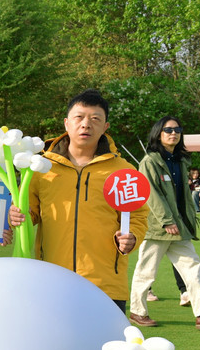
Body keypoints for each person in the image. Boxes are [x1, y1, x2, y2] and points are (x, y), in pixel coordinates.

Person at [8, 89, 148, 310]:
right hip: (52, 280)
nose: (86, 124)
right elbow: (28, 212)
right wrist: (15, 215)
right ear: (66, 123)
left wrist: (133, 237)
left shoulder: (123, 171)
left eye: (95, 119)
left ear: (105, 127)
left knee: (107, 345)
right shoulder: (40, 167)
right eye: (79, 117)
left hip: (105, 285)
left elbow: (138, 215)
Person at [129, 117, 200, 330]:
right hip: (158, 228)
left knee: (193, 269)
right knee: (146, 272)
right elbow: (151, 194)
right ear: (159, 133)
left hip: (180, 227)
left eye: (177, 129)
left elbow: (183, 195)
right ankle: (138, 312)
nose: (173, 133)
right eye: (168, 129)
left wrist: (185, 221)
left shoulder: (181, 160)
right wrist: (166, 221)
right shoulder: (149, 161)